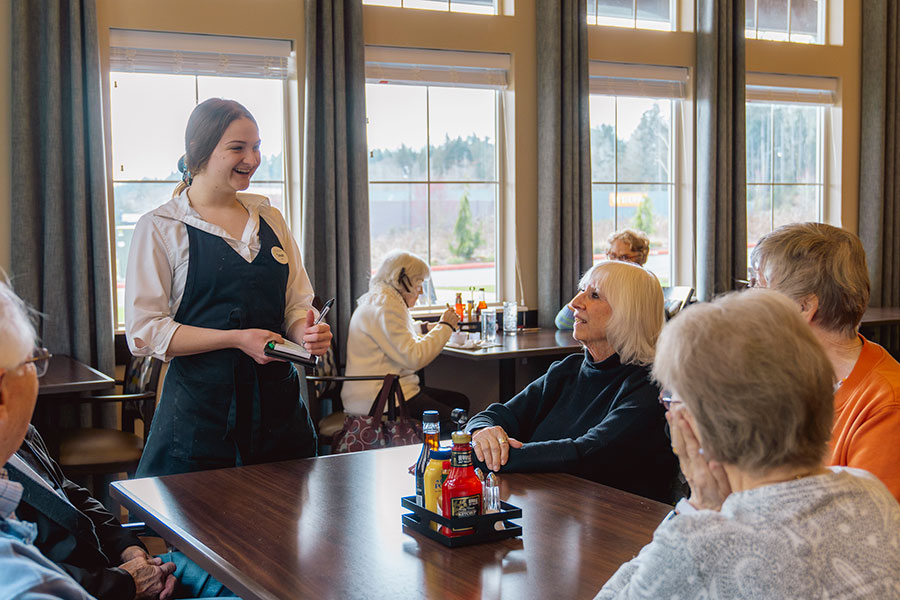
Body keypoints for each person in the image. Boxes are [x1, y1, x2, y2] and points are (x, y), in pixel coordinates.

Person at [595, 289, 900, 599]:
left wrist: (698, 509)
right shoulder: (870, 492)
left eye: (671, 398)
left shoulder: (697, 545)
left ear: (693, 424)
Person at [125, 98, 331, 478]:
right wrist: (236, 339)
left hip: (278, 414)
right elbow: (145, 332)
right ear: (198, 152)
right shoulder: (161, 227)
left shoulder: (270, 219)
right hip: (201, 419)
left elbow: (295, 304)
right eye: (237, 147)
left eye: (256, 147)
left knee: (285, 533)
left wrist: (306, 333)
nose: (251, 159)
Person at [466, 261, 677, 503]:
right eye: (581, 291)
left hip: (617, 525)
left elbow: (584, 454)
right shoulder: (567, 370)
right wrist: (481, 432)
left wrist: (481, 455)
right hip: (553, 509)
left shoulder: (651, 388)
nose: (574, 303)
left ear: (628, 314)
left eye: (594, 295)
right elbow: (498, 415)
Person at [750, 222, 900, 501]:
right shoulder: (785, 375)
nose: (750, 299)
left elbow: (867, 528)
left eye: (760, 287)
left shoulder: (887, 403)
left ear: (804, 307)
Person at [10, 425, 237, 600]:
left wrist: (129, 549)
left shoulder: (17, 429)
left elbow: (73, 494)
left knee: (238, 577)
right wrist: (128, 584)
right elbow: (27, 580)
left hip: (109, 570)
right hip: (95, 589)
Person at [0, 281, 96, 599]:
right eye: (32, 362)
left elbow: (67, 491)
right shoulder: (27, 585)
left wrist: (129, 546)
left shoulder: (22, 437)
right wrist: (125, 582)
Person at [342, 250, 469, 429]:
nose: (421, 291)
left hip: (383, 391)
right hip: (382, 398)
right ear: (403, 280)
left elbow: (393, 333)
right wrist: (445, 326)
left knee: (459, 401)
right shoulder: (386, 306)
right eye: (419, 284)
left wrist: (424, 328)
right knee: (456, 419)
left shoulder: (380, 300)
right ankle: (438, 456)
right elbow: (414, 358)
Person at [555, 229, 650, 330]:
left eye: (624, 257)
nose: (616, 262)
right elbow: (562, 322)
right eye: (612, 255)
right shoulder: (602, 286)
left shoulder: (645, 289)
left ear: (641, 258)